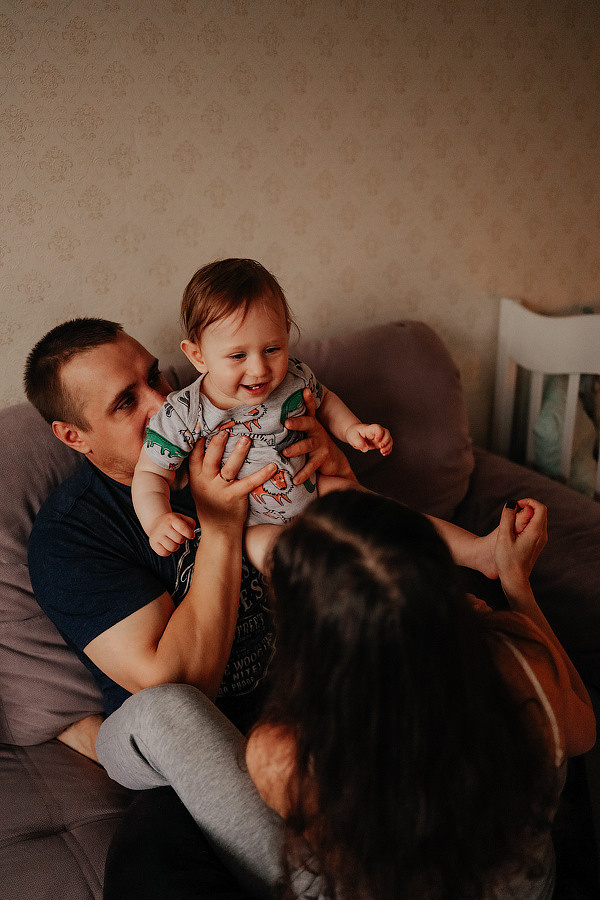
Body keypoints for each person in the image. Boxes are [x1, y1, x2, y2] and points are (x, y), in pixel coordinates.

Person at [96, 491, 595, 899]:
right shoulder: (520, 656)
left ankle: (91, 742)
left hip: (356, 887)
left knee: (163, 712)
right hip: (525, 886)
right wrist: (516, 585)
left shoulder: (284, 752)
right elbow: (583, 733)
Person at [24, 317, 348, 744]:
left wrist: (341, 475)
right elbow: (182, 688)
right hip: (207, 742)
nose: (163, 403)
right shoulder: (69, 539)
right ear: (73, 436)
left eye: (155, 376)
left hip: (327, 690)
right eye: (126, 402)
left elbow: (365, 557)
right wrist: (221, 527)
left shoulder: (245, 426)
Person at [131, 258, 392, 568]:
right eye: (238, 355)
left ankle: (433, 554)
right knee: (281, 558)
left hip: (314, 492)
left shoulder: (293, 377)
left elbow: (326, 401)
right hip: (255, 525)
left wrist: (352, 429)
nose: (259, 369)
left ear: (286, 333)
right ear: (198, 356)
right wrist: (157, 519)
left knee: (368, 508)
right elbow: (150, 473)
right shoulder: (184, 412)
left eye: (272, 349)